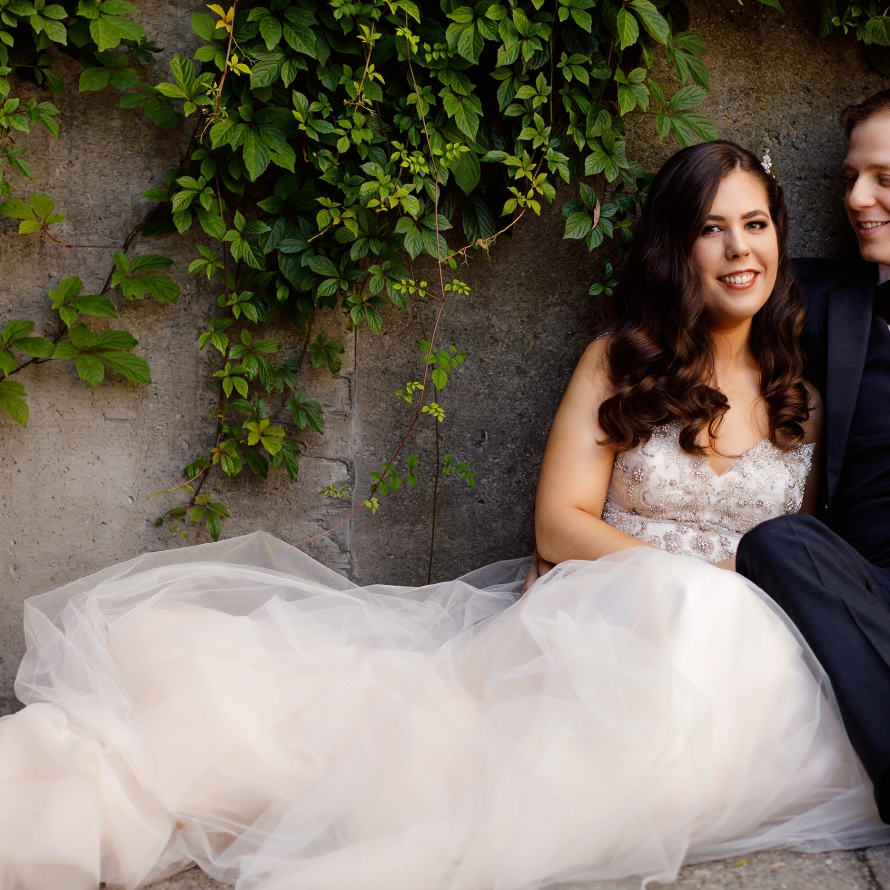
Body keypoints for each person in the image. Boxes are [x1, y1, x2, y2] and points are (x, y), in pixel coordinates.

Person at [1, 141, 887, 890]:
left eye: (755, 224)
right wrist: (686, 584)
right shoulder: (621, 361)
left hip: (748, 662)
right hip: (616, 619)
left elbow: (794, 545)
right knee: (419, 764)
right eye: (711, 228)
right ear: (676, 247)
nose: (738, 249)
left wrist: (728, 598)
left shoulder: (803, 390)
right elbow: (560, 522)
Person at [737, 89, 890, 825]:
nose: (856, 199)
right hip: (861, 589)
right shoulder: (816, 297)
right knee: (779, 542)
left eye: (884, 179)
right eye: (850, 178)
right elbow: (695, 290)